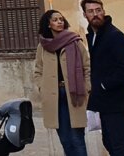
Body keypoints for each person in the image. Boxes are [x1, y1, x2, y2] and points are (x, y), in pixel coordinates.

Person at [82, 0, 124, 156]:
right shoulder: (93, 35)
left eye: (98, 10)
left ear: (104, 11)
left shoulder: (115, 35)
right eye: (91, 11)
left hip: (115, 99)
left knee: (119, 145)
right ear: (85, 14)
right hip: (102, 100)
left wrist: (103, 85)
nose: (95, 14)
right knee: (109, 142)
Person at [34, 9, 90, 156]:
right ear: (48, 24)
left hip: (74, 94)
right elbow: (38, 70)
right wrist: (42, 87)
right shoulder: (43, 46)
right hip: (54, 96)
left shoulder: (75, 41)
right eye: (55, 20)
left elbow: (87, 67)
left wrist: (87, 87)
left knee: (77, 139)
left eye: (61, 19)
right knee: (65, 139)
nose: (60, 22)